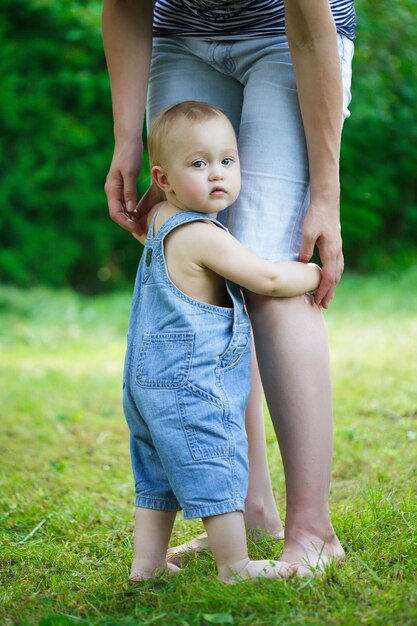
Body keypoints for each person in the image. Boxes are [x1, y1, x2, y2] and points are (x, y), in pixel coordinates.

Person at [103, 0, 355, 577]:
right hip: (180, 35)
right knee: (206, 269)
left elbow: (312, 35)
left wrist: (326, 194)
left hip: (288, 38)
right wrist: (126, 139)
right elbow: (124, 4)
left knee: (272, 268)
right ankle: (250, 507)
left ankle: (314, 531)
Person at [123, 100, 321, 583]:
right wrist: (313, 272)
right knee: (214, 458)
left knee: (158, 473)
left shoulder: (160, 223)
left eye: (227, 161)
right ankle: (234, 564)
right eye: (198, 163)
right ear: (163, 178)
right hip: (191, 383)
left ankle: (147, 566)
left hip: (146, 383)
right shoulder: (201, 235)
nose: (217, 174)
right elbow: (269, 279)